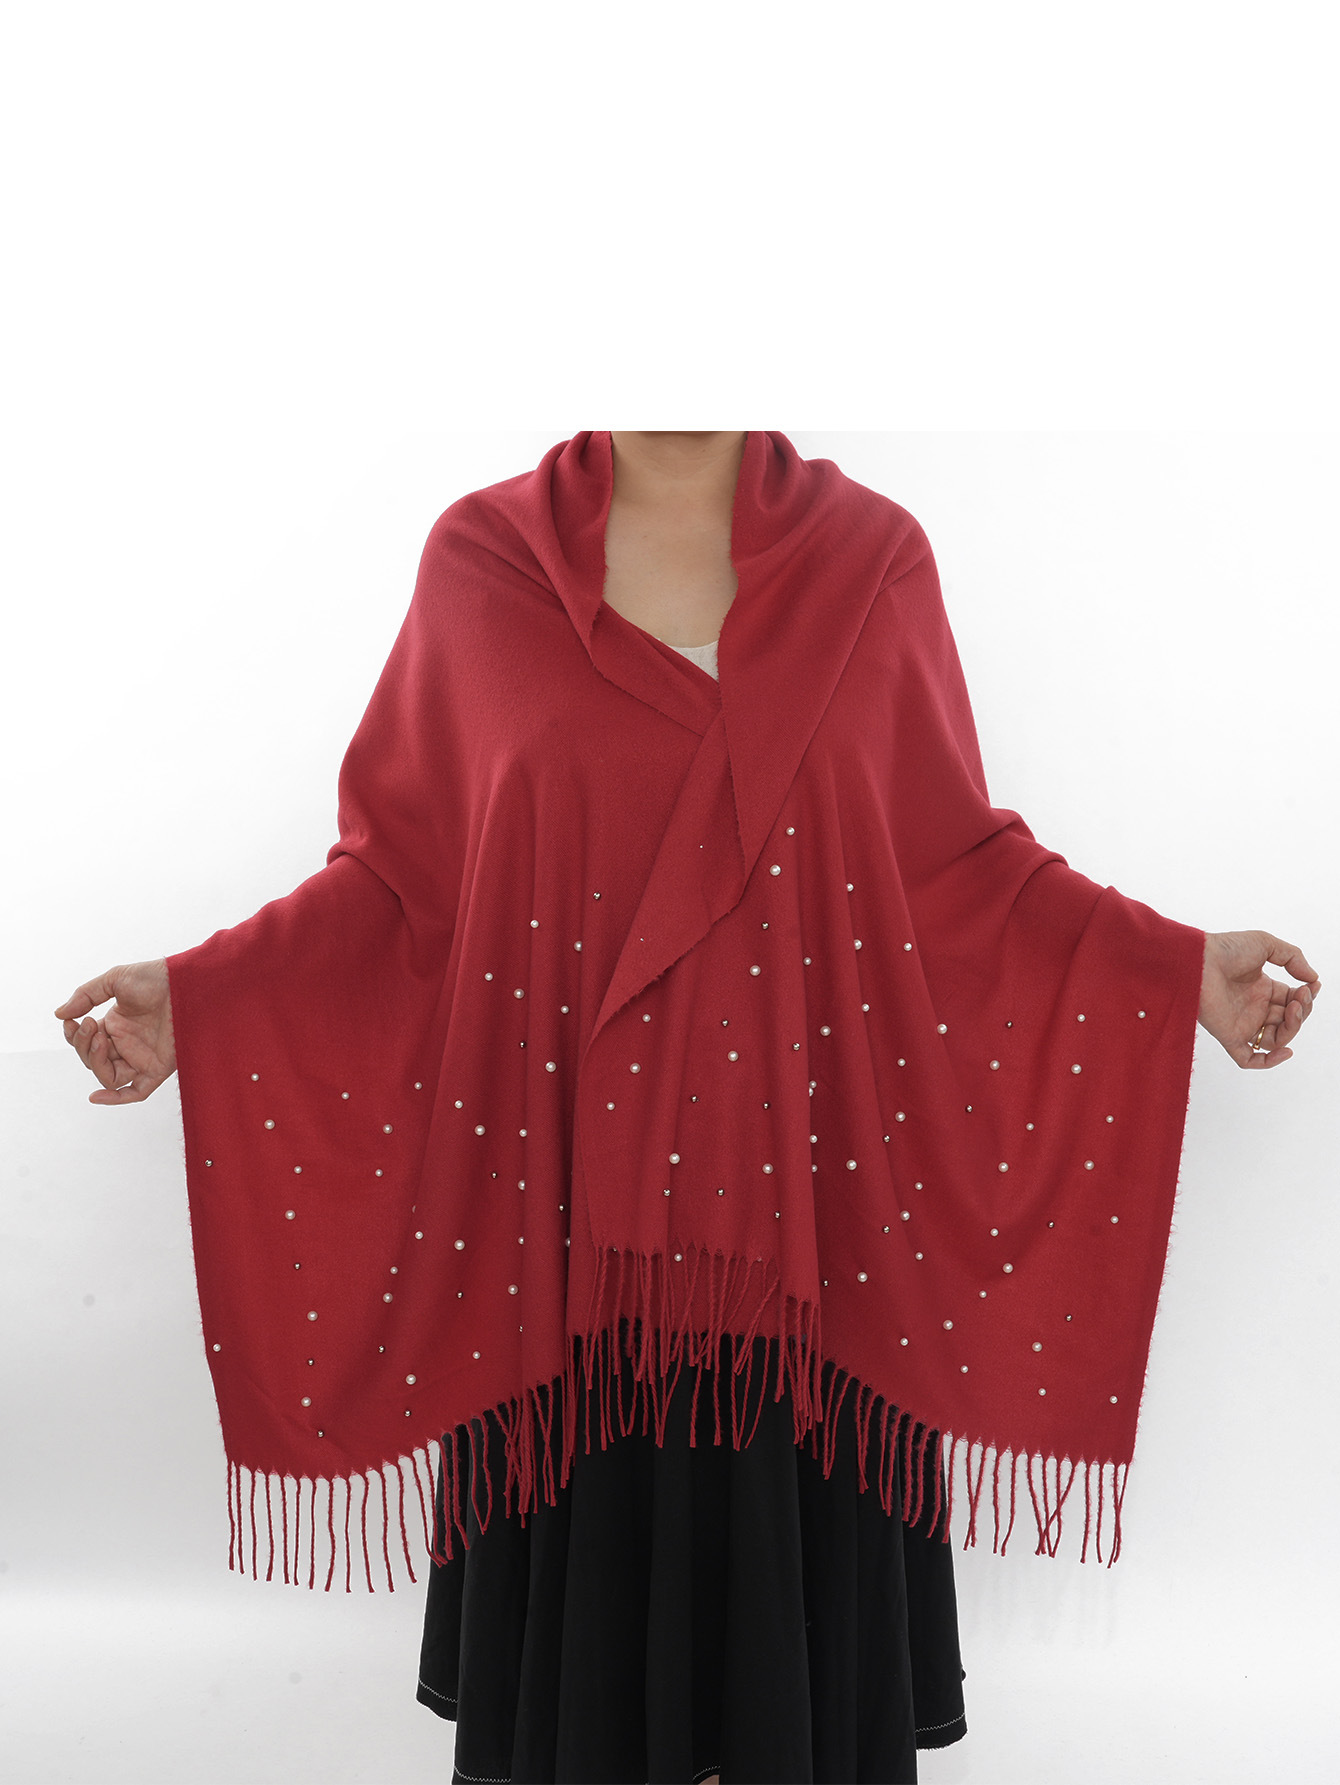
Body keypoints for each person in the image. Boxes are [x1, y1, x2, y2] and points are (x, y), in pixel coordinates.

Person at [55, 431, 1321, 1785]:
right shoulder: (482, 566)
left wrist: (1173, 969)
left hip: (814, 1277)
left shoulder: (872, 563)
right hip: (565, 1288)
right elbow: (401, 883)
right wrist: (202, 999)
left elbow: (956, 871)